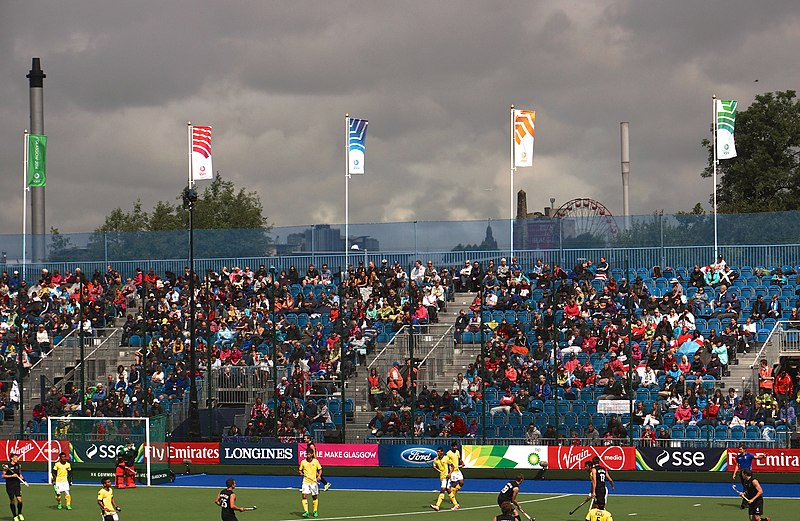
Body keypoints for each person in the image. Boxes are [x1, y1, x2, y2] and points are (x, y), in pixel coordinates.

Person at [732, 444, 767, 509]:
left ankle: (744, 504)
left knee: (746, 488)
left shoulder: (749, 455)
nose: (739, 450)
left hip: (748, 474)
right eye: (739, 449)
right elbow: (737, 465)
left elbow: (757, 457)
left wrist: (763, 456)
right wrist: (734, 473)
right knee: (746, 488)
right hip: (742, 474)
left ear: (744, 449)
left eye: (740, 449)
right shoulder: (738, 457)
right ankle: (748, 502)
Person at [430, 447, 459, 511]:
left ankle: (437, 505)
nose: (438, 453)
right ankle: (456, 504)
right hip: (442, 476)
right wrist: (434, 468)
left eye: (439, 451)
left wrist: (450, 473)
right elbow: (435, 467)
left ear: (442, 452)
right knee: (448, 490)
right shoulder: (435, 459)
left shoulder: (446, 458)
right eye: (437, 451)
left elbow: (452, 466)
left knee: (442, 489)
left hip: (446, 477)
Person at [299, 449, 322, 518]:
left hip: (313, 482)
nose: (308, 455)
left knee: (314, 497)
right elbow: (300, 470)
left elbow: (320, 469)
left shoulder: (316, 461)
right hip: (305, 481)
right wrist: (301, 473)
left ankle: (315, 511)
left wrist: (319, 476)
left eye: (309, 454)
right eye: (307, 454)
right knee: (304, 496)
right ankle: (306, 512)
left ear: (312, 454)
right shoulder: (303, 462)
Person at [3, 453, 25, 521]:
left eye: (17, 457)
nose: (17, 459)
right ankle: (15, 515)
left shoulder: (18, 465)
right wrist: (12, 476)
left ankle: (20, 514)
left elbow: (20, 474)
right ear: (12, 458)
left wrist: (24, 480)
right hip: (9, 486)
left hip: (17, 485)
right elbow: (3, 476)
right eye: (15, 457)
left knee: (19, 500)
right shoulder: (7, 467)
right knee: (12, 501)